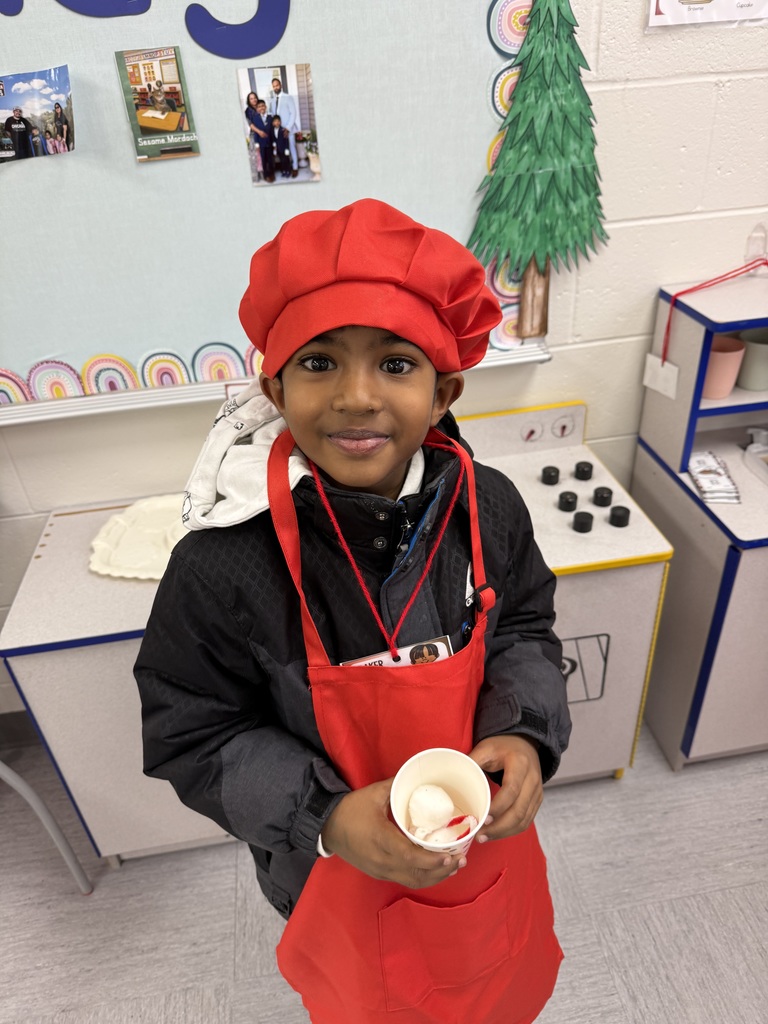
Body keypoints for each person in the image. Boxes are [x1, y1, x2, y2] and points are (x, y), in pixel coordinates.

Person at [135, 198, 571, 1024]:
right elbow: (191, 730)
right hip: (317, 866)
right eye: (320, 363)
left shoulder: (490, 508)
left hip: (475, 850)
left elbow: (523, 630)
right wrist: (326, 817)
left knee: (479, 979)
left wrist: (524, 731)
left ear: (444, 391)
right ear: (274, 385)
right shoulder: (224, 561)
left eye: (396, 365)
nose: (357, 397)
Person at [268, 76, 298, 177]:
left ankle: (295, 168)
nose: (276, 87)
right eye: (274, 86)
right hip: (278, 131)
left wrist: (288, 128)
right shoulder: (272, 101)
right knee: (282, 151)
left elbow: (293, 113)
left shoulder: (288, 97)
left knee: (292, 148)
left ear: (280, 85)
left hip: (288, 129)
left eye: (277, 85)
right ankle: (286, 168)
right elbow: (272, 115)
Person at [244, 92, 274, 183]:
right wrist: (259, 132)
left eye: (255, 97)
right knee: (257, 156)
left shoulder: (260, 108)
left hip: (265, 136)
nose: (254, 100)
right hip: (255, 135)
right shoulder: (248, 110)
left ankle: (267, 174)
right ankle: (259, 175)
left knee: (265, 156)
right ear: (249, 101)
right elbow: (251, 124)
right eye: (251, 98)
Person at [270, 113, 291, 178]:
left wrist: (287, 149)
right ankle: (284, 171)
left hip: (284, 148)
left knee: (286, 160)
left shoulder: (283, 130)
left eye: (278, 121)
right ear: (273, 123)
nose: (277, 123)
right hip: (278, 149)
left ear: (280, 122)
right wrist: (274, 148)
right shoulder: (272, 130)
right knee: (281, 160)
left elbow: (286, 140)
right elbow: (273, 139)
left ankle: (288, 171)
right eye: (275, 121)